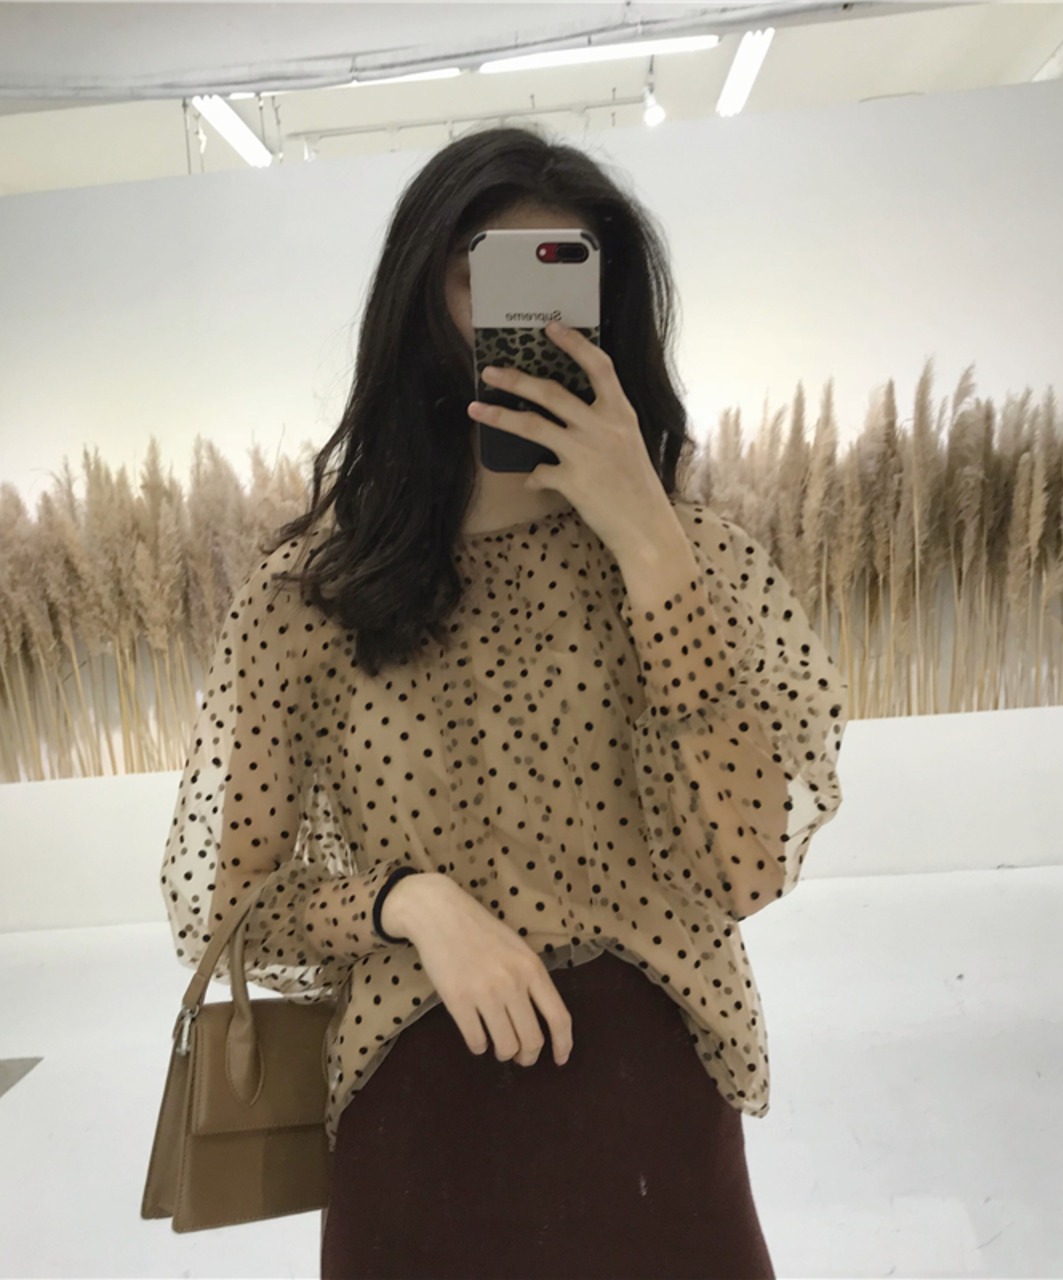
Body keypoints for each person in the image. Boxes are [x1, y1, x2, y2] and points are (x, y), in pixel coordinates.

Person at [160, 124, 849, 1279]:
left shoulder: (700, 563)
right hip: (418, 1138)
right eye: (480, 277)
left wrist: (650, 546)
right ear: (418, 302)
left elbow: (745, 864)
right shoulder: (307, 601)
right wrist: (407, 902)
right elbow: (227, 910)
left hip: (652, 1127)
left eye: (561, 279)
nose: (521, 320)